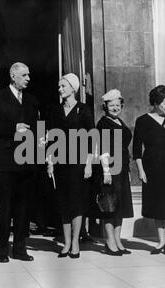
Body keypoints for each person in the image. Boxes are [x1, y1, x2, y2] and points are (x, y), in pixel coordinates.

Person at [0, 62, 39, 263]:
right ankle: (1, 250)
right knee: (4, 207)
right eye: (24, 75)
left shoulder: (32, 101)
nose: (28, 78)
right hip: (4, 162)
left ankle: (20, 249)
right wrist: (12, 129)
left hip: (26, 162)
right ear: (13, 76)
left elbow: (37, 128)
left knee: (23, 208)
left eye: (29, 75)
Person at [133, 85, 165, 256]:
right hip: (152, 169)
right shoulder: (142, 121)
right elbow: (136, 150)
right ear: (155, 102)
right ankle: (161, 240)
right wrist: (141, 171)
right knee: (157, 205)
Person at [47, 73, 94, 259]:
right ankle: (66, 242)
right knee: (63, 203)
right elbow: (51, 138)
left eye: (63, 86)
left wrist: (89, 164)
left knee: (76, 202)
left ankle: (75, 242)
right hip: (60, 163)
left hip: (79, 162)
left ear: (73, 88)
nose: (60, 90)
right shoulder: (55, 110)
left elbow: (92, 138)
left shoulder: (84, 110)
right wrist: (49, 162)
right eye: (59, 87)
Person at [96, 89, 134, 255]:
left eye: (118, 105)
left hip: (122, 168)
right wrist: (106, 172)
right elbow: (102, 149)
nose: (115, 108)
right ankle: (109, 241)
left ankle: (118, 240)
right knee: (109, 206)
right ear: (105, 106)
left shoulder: (120, 122)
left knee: (121, 206)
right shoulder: (103, 123)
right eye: (111, 105)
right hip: (110, 168)